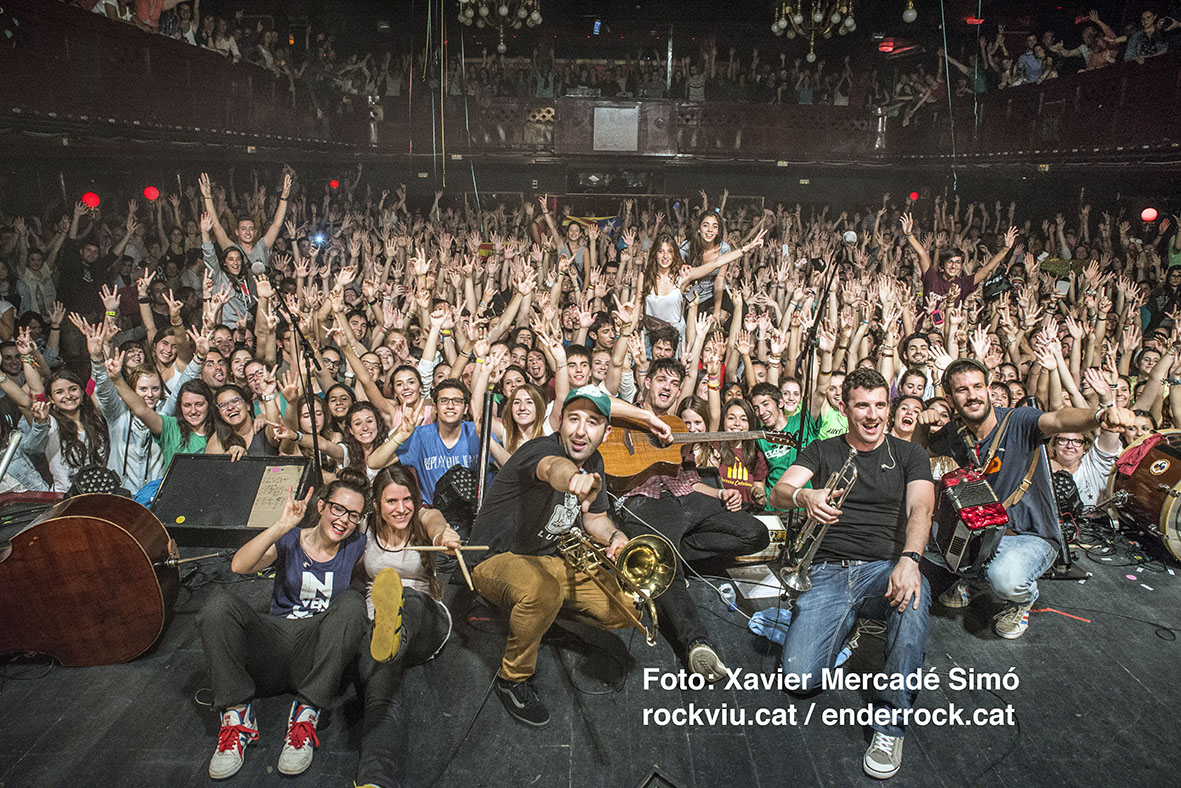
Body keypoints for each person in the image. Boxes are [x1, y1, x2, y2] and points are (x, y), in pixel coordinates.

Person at [770, 368, 935, 780]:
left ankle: (890, 725)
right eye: (862, 405)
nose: (873, 415)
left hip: (884, 568)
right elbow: (779, 492)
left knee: (915, 595)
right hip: (827, 570)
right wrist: (805, 495)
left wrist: (910, 559)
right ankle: (847, 627)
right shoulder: (822, 450)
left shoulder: (910, 454)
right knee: (799, 680)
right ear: (845, 409)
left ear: (889, 408)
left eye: (880, 405)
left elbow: (922, 509)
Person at [927, 359, 1135, 639]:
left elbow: (1058, 419)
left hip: (1030, 535)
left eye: (977, 386)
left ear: (988, 389)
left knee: (1005, 579)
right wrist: (921, 422)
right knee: (925, 533)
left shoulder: (1018, 421)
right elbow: (918, 448)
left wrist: (1099, 416)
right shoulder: (956, 433)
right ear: (950, 398)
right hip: (984, 532)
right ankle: (973, 576)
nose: (972, 395)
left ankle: (1022, 600)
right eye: (962, 390)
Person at [469, 387, 638, 727]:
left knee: (626, 607)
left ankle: (542, 620)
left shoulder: (595, 461)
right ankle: (512, 679)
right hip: (495, 557)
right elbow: (551, 469)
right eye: (573, 419)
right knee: (542, 591)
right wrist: (573, 478)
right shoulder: (541, 450)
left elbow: (595, 519)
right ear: (559, 421)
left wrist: (617, 537)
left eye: (592, 422)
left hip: (549, 558)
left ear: (605, 432)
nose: (580, 431)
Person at [196, 479, 369, 780]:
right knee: (218, 605)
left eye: (353, 515)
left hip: (315, 651)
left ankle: (306, 714)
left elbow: (397, 545)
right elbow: (239, 566)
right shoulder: (290, 539)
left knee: (353, 604)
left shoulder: (357, 545)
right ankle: (237, 717)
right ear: (321, 506)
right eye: (338, 509)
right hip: (274, 642)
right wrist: (280, 526)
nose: (344, 519)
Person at [613, 359, 769, 680]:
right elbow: (593, 398)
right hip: (645, 501)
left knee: (755, 533)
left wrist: (720, 494)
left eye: (674, 383)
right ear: (646, 382)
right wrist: (646, 420)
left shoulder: (677, 424)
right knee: (663, 560)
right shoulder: (625, 414)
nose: (667, 388)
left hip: (687, 497)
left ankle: (672, 556)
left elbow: (692, 480)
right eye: (661, 380)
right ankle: (697, 642)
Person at [354, 466, 460, 788]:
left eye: (407, 499)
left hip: (426, 619)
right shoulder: (365, 528)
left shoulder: (423, 518)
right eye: (391, 501)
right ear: (376, 504)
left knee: (408, 599)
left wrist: (444, 537)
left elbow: (437, 523)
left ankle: (391, 637)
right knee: (380, 690)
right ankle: (374, 780)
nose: (401, 508)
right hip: (377, 627)